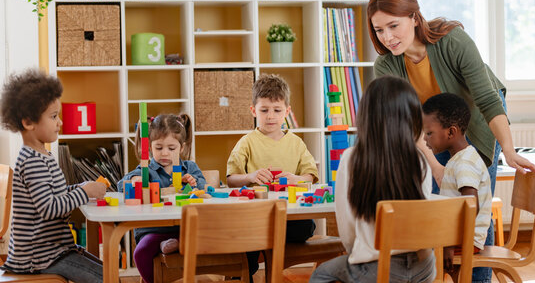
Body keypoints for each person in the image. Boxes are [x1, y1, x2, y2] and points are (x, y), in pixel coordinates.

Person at [367, 0, 535, 282]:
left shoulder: (452, 41)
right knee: (439, 209)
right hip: (430, 129)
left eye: (393, 25)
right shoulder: (386, 65)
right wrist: (435, 166)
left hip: (476, 118)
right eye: (379, 30)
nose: (387, 37)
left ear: (414, 17)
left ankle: (477, 278)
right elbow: (408, 125)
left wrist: (509, 150)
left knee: (473, 204)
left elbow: (487, 100)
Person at [310, 75, 434, 283]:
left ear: (366, 117)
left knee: (321, 274)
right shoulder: (418, 159)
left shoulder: (351, 158)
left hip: (377, 271)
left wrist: (357, 254)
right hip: (424, 266)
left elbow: (347, 229)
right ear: (412, 119)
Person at [0, 68, 106, 282]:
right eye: (53, 116)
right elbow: (49, 208)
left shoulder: (42, 155)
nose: (60, 122)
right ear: (28, 122)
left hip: (52, 250)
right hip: (38, 257)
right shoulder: (31, 162)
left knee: (108, 270)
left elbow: (53, 195)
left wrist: (79, 188)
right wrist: (84, 193)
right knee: (105, 277)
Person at [226, 73, 319, 278]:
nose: (270, 116)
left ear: (287, 111)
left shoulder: (296, 143)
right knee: (245, 233)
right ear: (253, 111)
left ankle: (266, 248)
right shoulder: (247, 142)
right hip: (256, 215)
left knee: (307, 225)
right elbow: (231, 178)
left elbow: (310, 176)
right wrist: (250, 177)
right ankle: (242, 273)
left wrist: (297, 179)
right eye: (264, 110)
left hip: (288, 215)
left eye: (277, 110)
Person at [117, 113, 206, 283]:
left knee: (211, 234)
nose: (165, 153)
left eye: (171, 148)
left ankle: (177, 242)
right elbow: (121, 185)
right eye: (158, 148)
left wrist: (194, 183)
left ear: (181, 147)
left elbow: (204, 187)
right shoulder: (146, 171)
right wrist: (133, 181)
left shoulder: (189, 167)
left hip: (184, 228)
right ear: (149, 147)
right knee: (141, 251)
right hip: (154, 230)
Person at [422, 93, 491, 280]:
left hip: (464, 240)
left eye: (429, 133)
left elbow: (470, 207)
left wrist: (449, 245)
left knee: (416, 249)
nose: (425, 139)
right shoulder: (460, 159)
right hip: (458, 237)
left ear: (451, 132)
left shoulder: (465, 163)